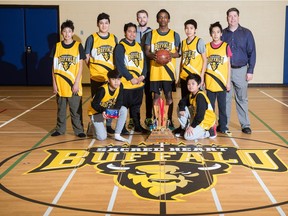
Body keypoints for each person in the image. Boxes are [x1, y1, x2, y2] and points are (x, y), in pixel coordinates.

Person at [145, 9, 181, 130]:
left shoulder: (175, 35)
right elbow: (146, 51)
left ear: (169, 19)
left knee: (169, 96)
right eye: (160, 17)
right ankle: (156, 120)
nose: (163, 19)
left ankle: (169, 120)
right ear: (157, 20)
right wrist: (153, 56)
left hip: (169, 72)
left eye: (165, 17)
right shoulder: (151, 34)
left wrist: (170, 55)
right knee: (156, 97)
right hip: (155, 71)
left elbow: (178, 53)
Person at [222, 7, 256, 134]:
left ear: (238, 17)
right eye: (230, 16)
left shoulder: (247, 33)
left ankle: (245, 124)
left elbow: (252, 52)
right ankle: (224, 125)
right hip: (226, 71)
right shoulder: (223, 34)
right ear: (227, 18)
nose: (232, 18)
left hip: (241, 70)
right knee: (225, 99)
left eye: (234, 16)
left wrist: (250, 70)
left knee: (242, 98)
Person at [50, 20, 86, 138]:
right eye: (64, 31)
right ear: (61, 32)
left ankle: (79, 130)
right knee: (61, 110)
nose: (67, 34)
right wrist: (54, 84)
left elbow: (80, 66)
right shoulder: (57, 46)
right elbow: (53, 67)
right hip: (60, 85)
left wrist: (76, 83)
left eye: (69, 31)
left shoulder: (78, 46)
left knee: (75, 110)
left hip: (73, 84)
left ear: (73, 32)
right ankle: (60, 129)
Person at [84, 12, 118, 134]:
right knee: (97, 102)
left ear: (109, 24)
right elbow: (86, 57)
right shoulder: (91, 38)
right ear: (97, 24)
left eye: (106, 23)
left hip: (109, 78)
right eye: (101, 23)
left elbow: (116, 57)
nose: (104, 25)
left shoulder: (114, 38)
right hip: (96, 77)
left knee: (110, 102)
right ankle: (96, 124)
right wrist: (93, 68)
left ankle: (108, 125)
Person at [114, 22, 149, 134]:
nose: (132, 34)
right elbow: (120, 66)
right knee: (123, 107)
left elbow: (144, 63)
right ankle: (122, 127)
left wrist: (142, 76)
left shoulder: (139, 46)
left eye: (134, 32)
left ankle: (137, 126)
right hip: (126, 84)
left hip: (138, 84)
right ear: (125, 33)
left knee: (136, 107)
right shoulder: (120, 47)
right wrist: (130, 78)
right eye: (129, 31)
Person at [128, 9, 153, 129]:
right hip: (134, 68)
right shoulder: (133, 32)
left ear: (147, 18)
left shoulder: (152, 33)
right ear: (137, 19)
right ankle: (133, 119)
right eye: (139, 17)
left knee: (148, 94)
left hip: (148, 68)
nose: (142, 19)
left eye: (144, 17)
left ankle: (149, 118)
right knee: (133, 95)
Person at [205, 21, 232, 136]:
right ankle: (211, 125)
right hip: (210, 82)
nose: (215, 34)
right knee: (210, 107)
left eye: (218, 32)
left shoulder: (226, 46)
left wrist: (228, 82)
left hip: (221, 83)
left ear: (221, 33)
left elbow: (228, 66)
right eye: (213, 32)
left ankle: (223, 126)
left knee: (222, 107)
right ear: (210, 34)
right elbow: (204, 64)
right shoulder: (206, 47)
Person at [173, 74, 217, 140]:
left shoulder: (200, 96)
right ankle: (184, 129)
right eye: (188, 84)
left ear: (198, 85)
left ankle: (209, 132)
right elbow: (182, 102)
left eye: (193, 84)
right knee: (180, 108)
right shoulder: (191, 94)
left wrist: (192, 126)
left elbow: (200, 115)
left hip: (205, 121)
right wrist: (182, 109)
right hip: (198, 119)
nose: (190, 86)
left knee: (187, 137)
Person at [89, 69, 128, 142]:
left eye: (118, 79)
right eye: (113, 79)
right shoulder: (102, 90)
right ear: (108, 80)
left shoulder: (120, 86)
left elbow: (120, 101)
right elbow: (94, 104)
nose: (116, 82)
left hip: (108, 110)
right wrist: (103, 111)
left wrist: (117, 110)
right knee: (102, 137)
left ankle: (117, 134)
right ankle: (92, 125)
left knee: (123, 110)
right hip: (97, 112)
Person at [179, 19, 207, 98]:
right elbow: (182, 61)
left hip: (195, 78)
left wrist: (202, 76)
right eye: (187, 28)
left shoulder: (199, 41)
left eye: (191, 28)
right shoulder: (183, 42)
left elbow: (205, 60)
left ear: (195, 30)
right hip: (184, 77)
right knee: (185, 101)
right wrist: (179, 77)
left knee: (196, 101)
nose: (189, 30)